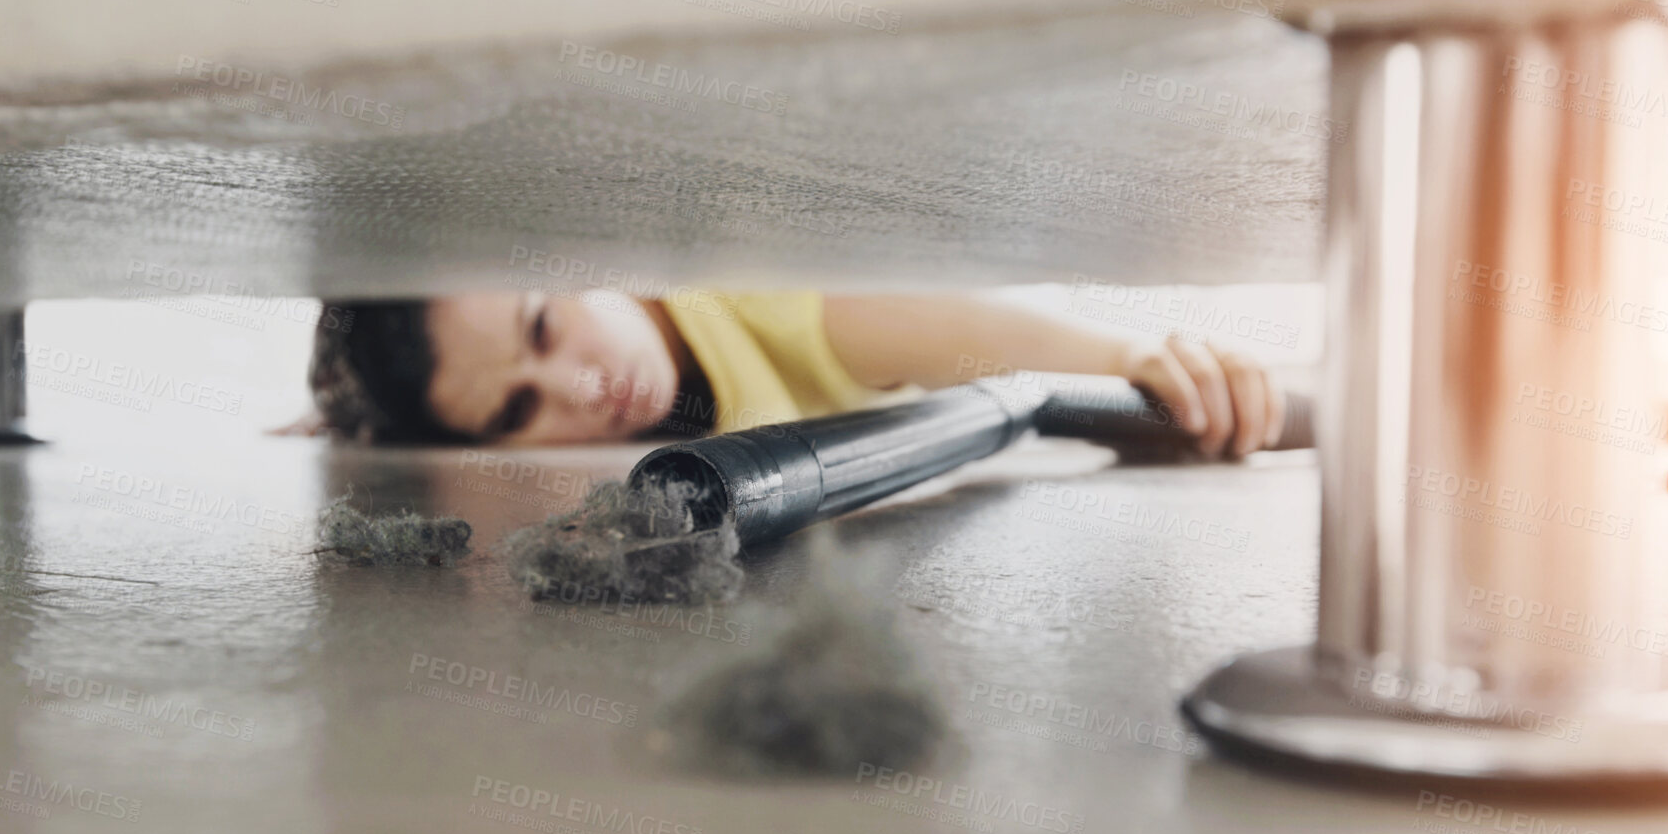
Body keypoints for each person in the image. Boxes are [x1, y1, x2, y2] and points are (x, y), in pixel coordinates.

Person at [299, 288, 1282, 458]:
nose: (578, 388)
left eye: (545, 326)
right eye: (516, 409)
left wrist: (1123, 362)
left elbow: (951, 333)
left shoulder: (759, 299)